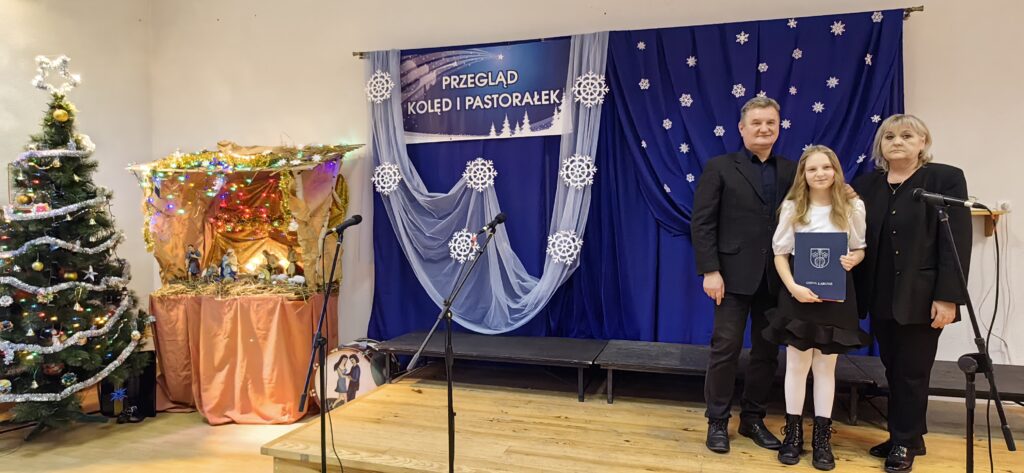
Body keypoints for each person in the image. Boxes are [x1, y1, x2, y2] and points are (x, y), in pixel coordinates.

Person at [852, 114, 971, 473]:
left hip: (922, 295)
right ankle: (906, 435)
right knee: (893, 367)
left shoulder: (944, 179)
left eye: (907, 135)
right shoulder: (867, 185)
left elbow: (955, 242)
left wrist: (948, 297)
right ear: (880, 145)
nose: (897, 141)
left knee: (913, 371)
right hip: (880, 293)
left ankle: (904, 441)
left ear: (923, 143)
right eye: (889, 136)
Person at [692, 96, 795, 454]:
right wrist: (710, 270)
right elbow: (703, 223)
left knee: (767, 353)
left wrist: (845, 191)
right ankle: (717, 421)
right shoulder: (720, 167)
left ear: (778, 127)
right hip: (731, 277)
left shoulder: (793, 170)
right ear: (742, 128)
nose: (764, 128)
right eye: (757, 123)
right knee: (726, 349)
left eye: (771, 123)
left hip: (776, 278)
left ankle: (753, 419)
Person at [763, 145, 871, 470]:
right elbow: (780, 253)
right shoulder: (793, 206)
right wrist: (793, 287)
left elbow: (859, 247)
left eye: (826, 167)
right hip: (798, 294)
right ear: (803, 174)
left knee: (825, 367)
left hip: (835, 297)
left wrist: (854, 259)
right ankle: (793, 435)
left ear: (836, 171)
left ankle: (822, 439)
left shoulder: (852, 206)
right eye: (812, 169)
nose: (820, 173)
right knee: (797, 365)